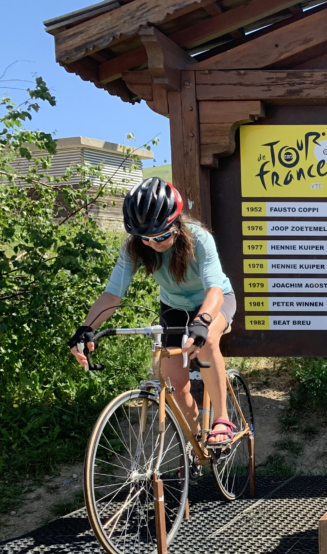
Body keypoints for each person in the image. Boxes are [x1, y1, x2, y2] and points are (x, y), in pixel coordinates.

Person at [68, 177, 237, 445]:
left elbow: (214, 290)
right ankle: (196, 444)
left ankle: (222, 419)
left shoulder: (200, 239)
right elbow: (112, 294)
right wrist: (86, 328)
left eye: (160, 236)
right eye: (144, 238)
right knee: (172, 383)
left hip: (215, 300)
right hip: (174, 307)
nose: (152, 243)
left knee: (208, 340)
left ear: (176, 224)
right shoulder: (134, 248)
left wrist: (202, 322)